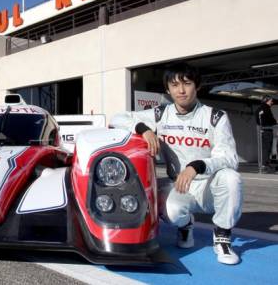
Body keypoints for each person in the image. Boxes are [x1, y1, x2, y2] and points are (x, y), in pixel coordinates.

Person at [110, 63, 242, 265]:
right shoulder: (161, 114)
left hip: (209, 185)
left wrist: (197, 166)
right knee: (169, 209)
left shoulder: (215, 117)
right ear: (168, 90)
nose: (181, 90)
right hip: (180, 186)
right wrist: (143, 129)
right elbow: (117, 118)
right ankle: (186, 225)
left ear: (197, 86)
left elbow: (229, 158)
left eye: (187, 84)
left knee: (231, 178)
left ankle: (222, 236)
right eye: (174, 85)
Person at [255, 95, 276, 173]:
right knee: (268, 147)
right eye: (271, 101)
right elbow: (271, 120)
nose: (272, 102)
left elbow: (257, 120)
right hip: (267, 130)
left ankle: (264, 164)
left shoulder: (258, 109)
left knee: (263, 147)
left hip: (261, 130)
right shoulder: (267, 108)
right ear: (267, 101)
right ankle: (265, 165)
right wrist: (275, 122)